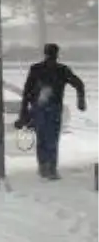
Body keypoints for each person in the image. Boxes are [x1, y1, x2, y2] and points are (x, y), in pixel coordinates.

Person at [17, 43, 86, 181]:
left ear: (45, 53)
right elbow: (79, 84)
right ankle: (50, 167)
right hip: (53, 108)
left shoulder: (36, 69)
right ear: (56, 54)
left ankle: (44, 166)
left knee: (42, 138)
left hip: (40, 108)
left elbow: (26, 92)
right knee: (52, 138)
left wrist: (24, 111)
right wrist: (81, 100)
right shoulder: (61, 70)